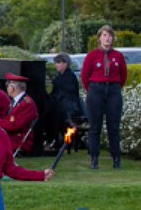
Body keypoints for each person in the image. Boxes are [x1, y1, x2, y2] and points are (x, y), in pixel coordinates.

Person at [81, 25, 127, 170]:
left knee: (113, 127)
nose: (107, 38)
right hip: (96, 90)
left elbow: (123, 75)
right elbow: (84, 75)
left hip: (113, 90)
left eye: (110, 36)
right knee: (95, 127)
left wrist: (115, 87)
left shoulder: (118, 56)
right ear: (100, 38)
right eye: (105, 35)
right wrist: (91, 90)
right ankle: (94, 158)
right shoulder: (92, 56)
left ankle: (116, 158)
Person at [0, 74, 39, 155]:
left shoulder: (26, 103)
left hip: (17, 141)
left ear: (12, 88)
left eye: (8, 86)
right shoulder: (16, 101)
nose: (7, 88)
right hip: (11, 137)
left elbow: (15, 126)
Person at [48, 53, 84, 147]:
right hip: (60, 103)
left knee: (60, 111)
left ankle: (64, 138)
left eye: (59, 62)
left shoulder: (70, 77)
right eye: (56, 62)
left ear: (65, 63)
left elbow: (69, 93)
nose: (56, 65)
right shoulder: (58, 76)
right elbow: (55, 91)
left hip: (70, 105)